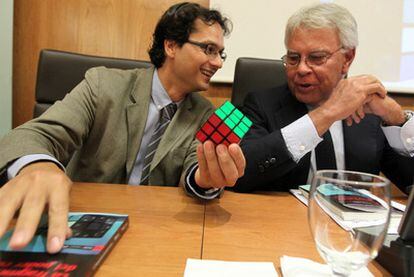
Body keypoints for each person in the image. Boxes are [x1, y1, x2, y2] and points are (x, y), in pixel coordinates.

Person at [0, 2, 245, 254]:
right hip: (78, 227)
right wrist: (37, 165)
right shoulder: (102, 85)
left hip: (154, 235)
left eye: (220, 54)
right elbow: (33, 135)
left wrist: (206, 179)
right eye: (209, 49)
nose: (218, 63)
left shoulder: (206, 112)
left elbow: (195, 166)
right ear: (171, 45)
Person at [234, 3, 414, 193]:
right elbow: (239, 174)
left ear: (347, 59)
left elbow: (409, 181)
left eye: (316, 57)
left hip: (355, 220)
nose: (302, 69)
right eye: (293, 58)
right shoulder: (258, 103)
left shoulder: (368, 111)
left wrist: (397, 118)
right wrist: (327, 113)